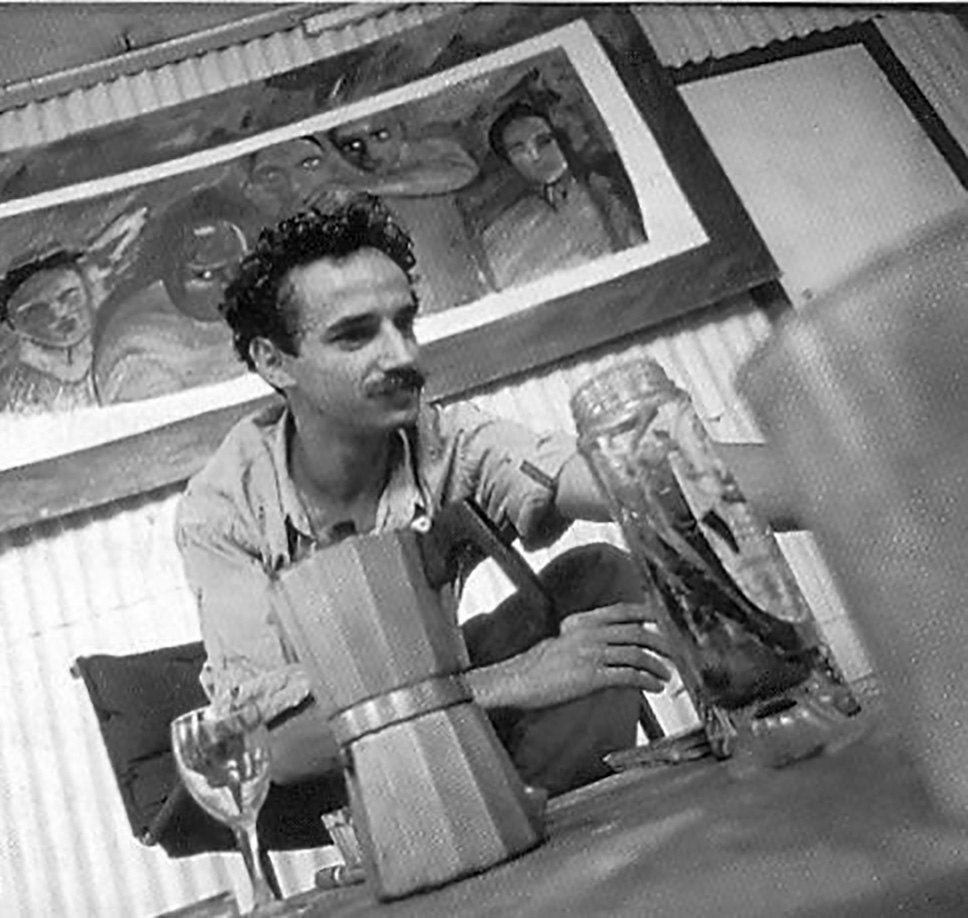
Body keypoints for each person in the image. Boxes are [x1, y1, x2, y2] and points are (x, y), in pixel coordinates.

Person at [175, 195, 796, 810]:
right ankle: (501, 827)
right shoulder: (222, 509)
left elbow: (618, 475)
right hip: (339, 762)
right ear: (272, 360)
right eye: (355, 336)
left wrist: (829, 479)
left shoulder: (448, 441)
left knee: (599, 577)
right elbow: (277, 750)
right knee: (339, 730)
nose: (403, 356)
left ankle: (560, 813)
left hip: (453, 706)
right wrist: (513, 680)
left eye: (404, 323)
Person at [0, 207, 146, 425]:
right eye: (37, 311)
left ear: (87, 289)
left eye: (69, 297)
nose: (59, 313)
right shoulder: (7, 390)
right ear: (15, 324)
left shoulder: (123, 350)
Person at [94, 188, 257, 404]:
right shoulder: (138, 348)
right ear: (171, 274)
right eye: (208, 275)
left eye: (237, 267)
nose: (230, 283)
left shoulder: (264, 299)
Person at [329, 115, 489, 314]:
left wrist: (369, 187)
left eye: (380, 135)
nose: (371, 152)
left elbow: (463, 171)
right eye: (352, 145)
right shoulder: (341, 184)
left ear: (399, 127)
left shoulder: (431, 152)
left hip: (465, 286)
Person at [483, 101, 648, 290]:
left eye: (544, 141)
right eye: (519, 150)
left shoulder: (606, 183)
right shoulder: (516, 222)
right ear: (510, 162)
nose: (535, 155)